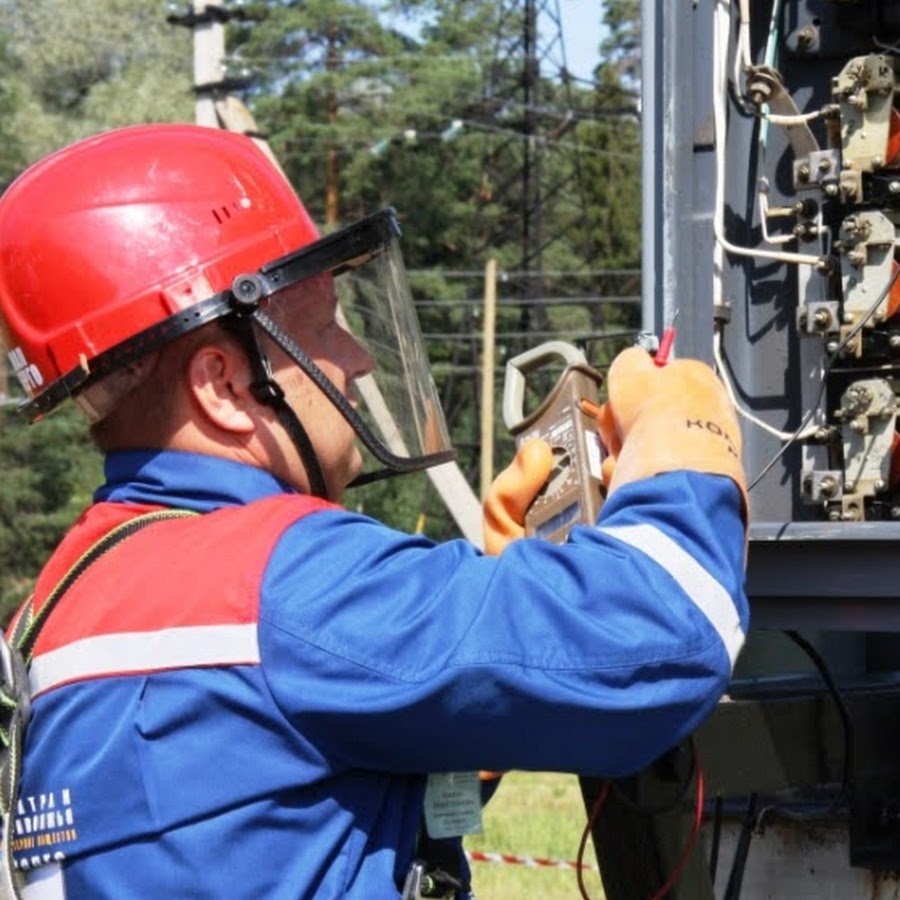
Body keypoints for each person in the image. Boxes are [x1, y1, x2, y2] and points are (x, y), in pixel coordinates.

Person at [0, 123, 749, 900]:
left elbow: (255, 814)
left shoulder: (61, 603)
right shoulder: (284, 585)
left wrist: (475, 688)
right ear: (221, 387)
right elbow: (666, 634)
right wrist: (679, 435)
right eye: (321, 330)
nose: (357, 361)